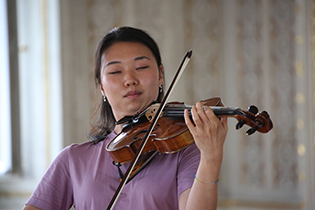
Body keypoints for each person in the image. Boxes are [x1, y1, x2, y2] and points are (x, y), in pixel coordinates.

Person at [23, 26, 228, 210]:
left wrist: (211, 157)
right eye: (115, 71)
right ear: (101, 86)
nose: (130, 80)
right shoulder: (73, 160)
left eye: (141, 67)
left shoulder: (184, 151)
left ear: (160, 76)